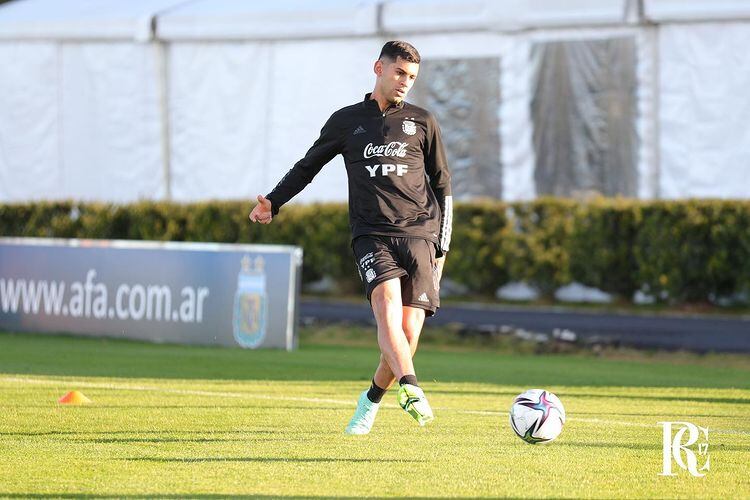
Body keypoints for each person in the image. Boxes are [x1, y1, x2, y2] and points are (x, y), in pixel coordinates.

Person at [249, 41, 452, 435]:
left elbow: (442, 185)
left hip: (420, 235)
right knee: (385, 304)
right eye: (399, 73)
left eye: (411, 77)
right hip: (371, 235)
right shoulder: (346, 121)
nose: (404, 83)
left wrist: (442, 247)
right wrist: (274, 201)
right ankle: (411, 387)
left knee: (407, 336)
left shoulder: (423, 121)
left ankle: (371, 398)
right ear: (379, 68)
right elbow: (308, 166)